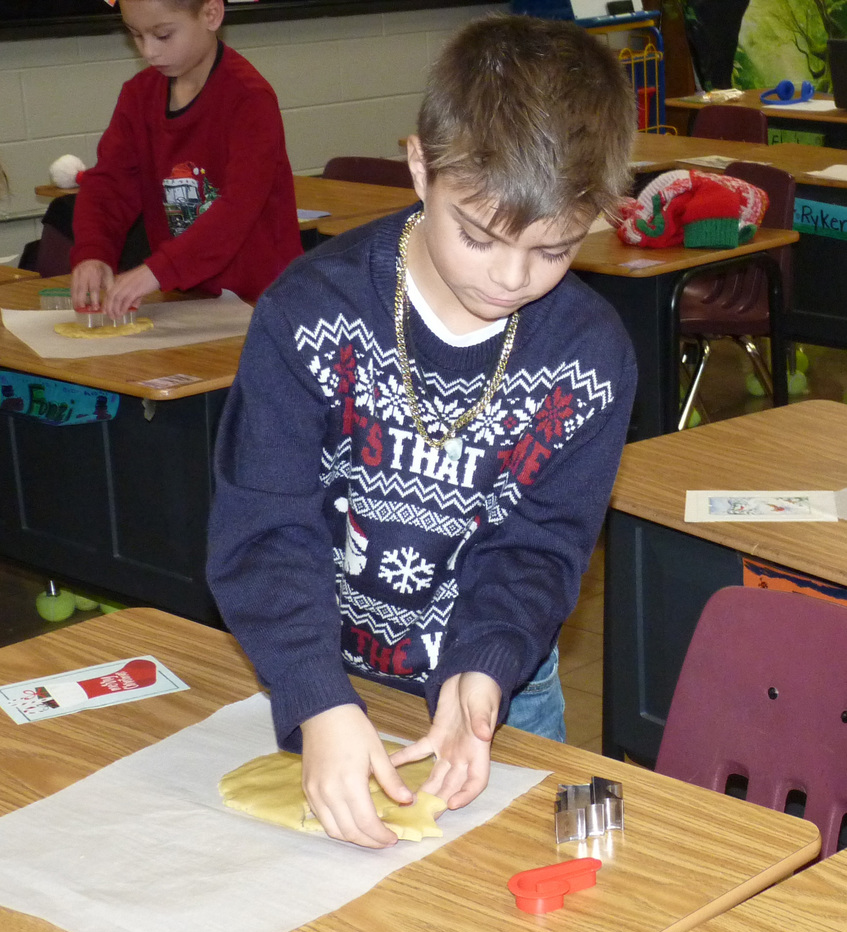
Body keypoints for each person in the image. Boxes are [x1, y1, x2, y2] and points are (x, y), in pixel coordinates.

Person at [207, 13, 637, 849]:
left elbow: (542, 542)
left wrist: (484, 670)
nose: (511, 278)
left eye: (554, 250)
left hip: (496, 690)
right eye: (477, 236)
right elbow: (264, 527)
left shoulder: (592, 357)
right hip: (327, 674)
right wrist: (317, 697)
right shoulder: (308, 312)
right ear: (419, 168)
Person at [70, 0, 302, 318]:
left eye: (163, 35)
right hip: (186, 301)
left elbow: (237, 210)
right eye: (136, 35)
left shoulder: (249, 98)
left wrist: (157, 270)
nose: (148, 52)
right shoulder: (139, 96)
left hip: (261, 301)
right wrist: (93, 252)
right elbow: (109, 185)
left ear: (211, 14)